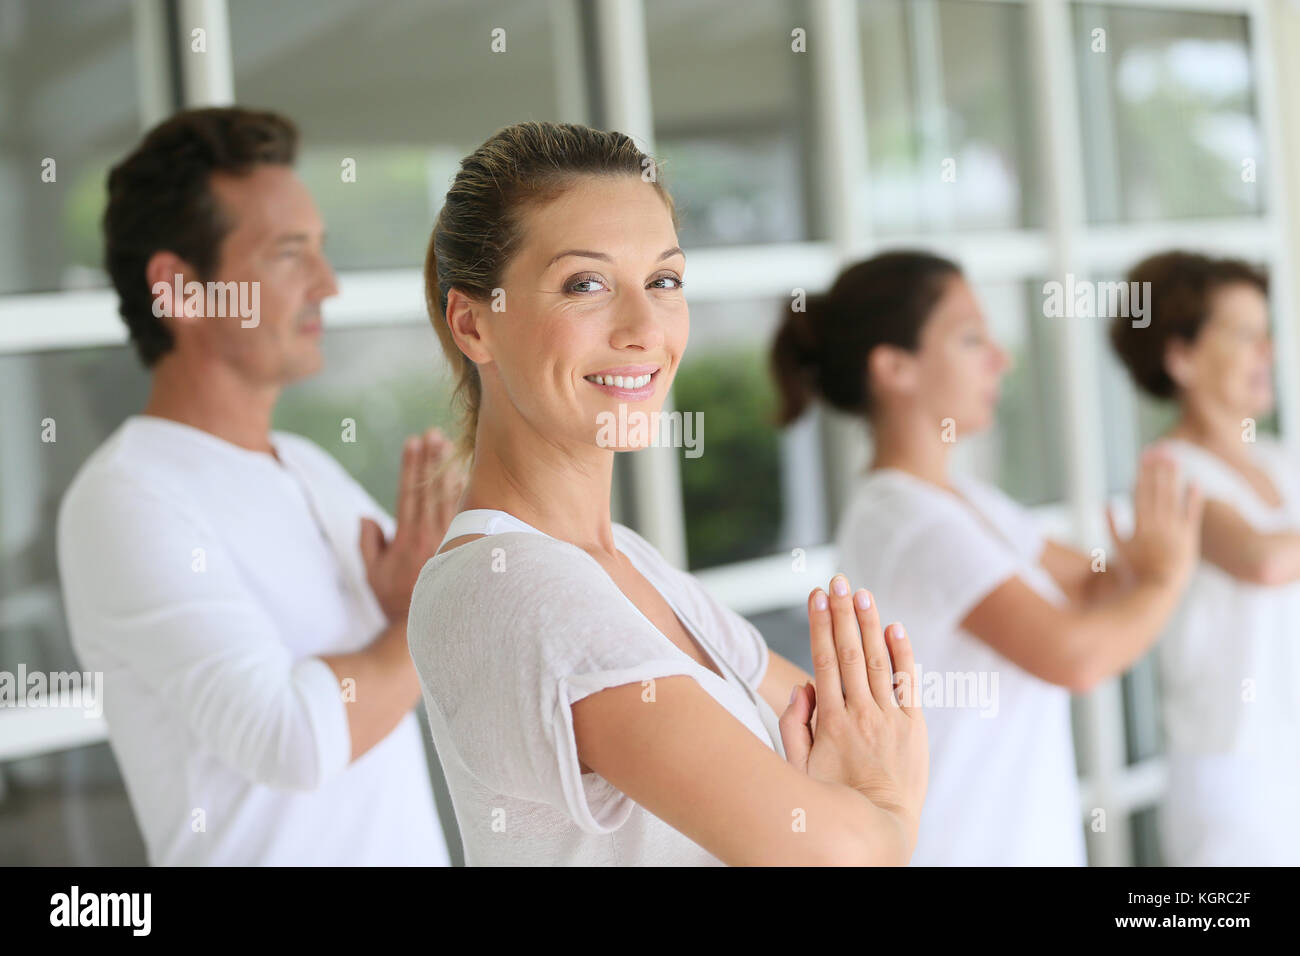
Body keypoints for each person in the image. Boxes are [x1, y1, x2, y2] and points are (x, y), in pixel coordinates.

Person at [406, 120, 928, 866]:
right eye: (585, 284)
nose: (645, 327)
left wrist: (868, 811)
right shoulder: (511, 587)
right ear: (473, 323)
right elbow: (835, 847)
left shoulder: (635, 567)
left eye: (664, 281)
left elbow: (845, 743)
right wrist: (886, 808)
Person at [57, 107, 458, 865]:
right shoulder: (126, 500)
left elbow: (468, 626)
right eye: (287, 254)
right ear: (177, 289)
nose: (327, 285)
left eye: (322, 252)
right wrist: (416, 624)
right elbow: (293, 739)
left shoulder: (309, 466)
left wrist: (419, 616)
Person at [770, 251, 1203, 865]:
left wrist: (1141, 567)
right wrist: (1164, 576)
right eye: (971, 338)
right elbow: (1075, 658)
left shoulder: (965, 500)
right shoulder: (909, 520)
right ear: (895, 367)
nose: (1001, 359)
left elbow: (1090, 587)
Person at [1110, 251, 1300, 865]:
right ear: (1181, 357)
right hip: (1233, 774)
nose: (1267, 350)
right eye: (1245, 334)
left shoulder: (1276, 459)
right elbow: (1262, 561)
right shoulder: (1170, 472)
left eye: (1265, 331)